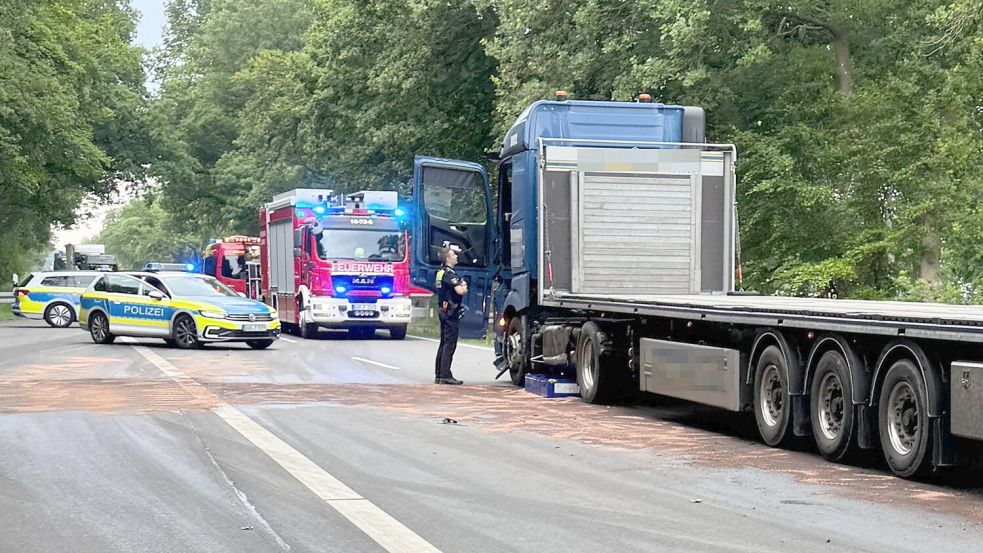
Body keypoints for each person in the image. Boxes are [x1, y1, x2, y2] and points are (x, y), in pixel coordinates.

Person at [434, 247, 467, 385]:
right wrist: (464, 285)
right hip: (451, 311)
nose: (456, 256)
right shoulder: (449, 274)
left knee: (444, 342)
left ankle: (439, 374)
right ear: (448, 258)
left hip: (444, 309)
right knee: (450, 343)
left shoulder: (440, 272)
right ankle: (445, 375)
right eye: (453, 255)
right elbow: (460, 291)